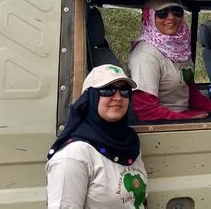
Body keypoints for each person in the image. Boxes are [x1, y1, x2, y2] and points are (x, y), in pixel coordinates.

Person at [45, 65, 147, 208]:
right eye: (107, 90)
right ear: (91, 97)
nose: (118, 97)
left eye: (124, 91)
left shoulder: (129, 143)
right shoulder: (74, 155)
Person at [128, 0, 211, 120]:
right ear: (150, 17)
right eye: (162, 13)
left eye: (177, 12)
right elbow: (146, 111)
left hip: (181, 119)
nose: (171, 17)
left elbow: (191, 94)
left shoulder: (181, 51)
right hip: (164, 125)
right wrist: (188, 119)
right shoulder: (145, 55)